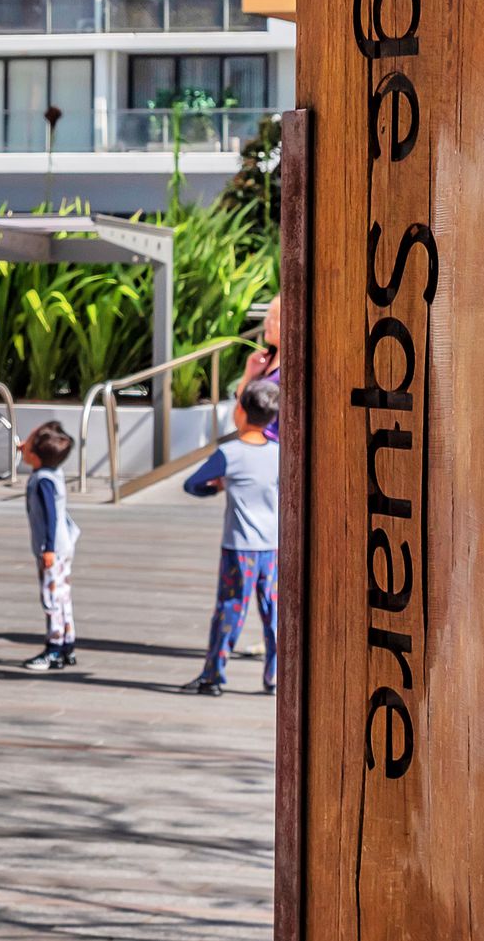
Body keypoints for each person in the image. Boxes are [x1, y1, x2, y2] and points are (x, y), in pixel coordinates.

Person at [182, 377, 280, 697]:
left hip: (239, 547)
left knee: (230, 608)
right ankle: (276, 676)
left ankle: (213, 676)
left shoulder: (229, 453)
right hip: (273, 546)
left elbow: (192, 484)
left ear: (240, 411)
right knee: (275, 612)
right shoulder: (279, 453)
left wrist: (216, 488)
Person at [19, 421, 82, 672]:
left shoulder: (42, 480)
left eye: (27, 444)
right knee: (63, 595)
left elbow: (50, 516)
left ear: (35, 455)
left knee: (51, 597)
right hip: (64, 544)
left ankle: (54, 649)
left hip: (52, 548)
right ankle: (68, 644)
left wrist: (47, 549)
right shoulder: (54, 471)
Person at [235, 295, 280, 441]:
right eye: (268, 316)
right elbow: (242, 406)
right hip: (256, 442)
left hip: (275, 446)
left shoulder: (294, 366)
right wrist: (250, 373)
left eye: (274, 317)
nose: (267, 322)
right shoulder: (264, 361)